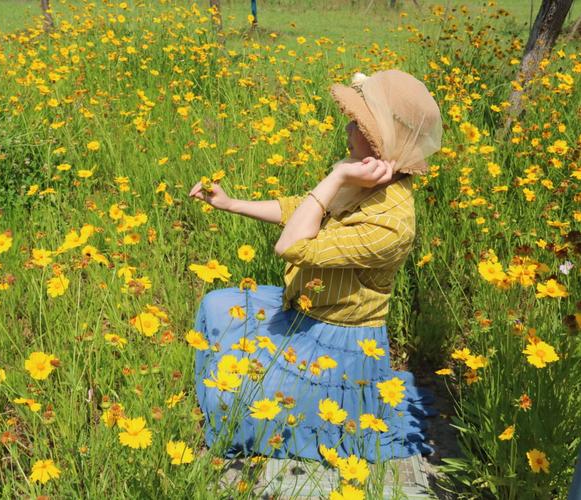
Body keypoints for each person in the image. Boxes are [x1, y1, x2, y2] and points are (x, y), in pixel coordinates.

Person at [187, 69, 443, 464]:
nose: (348, 128)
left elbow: (292, 243)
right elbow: (300, 209)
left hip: (337, 348)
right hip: (303, 310)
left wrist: (336, 174)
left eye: (358, 123)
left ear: (381, 142)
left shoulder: (391, 223)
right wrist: (230, 202)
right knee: (218, 303)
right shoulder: (370, 176)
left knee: (232, 397)